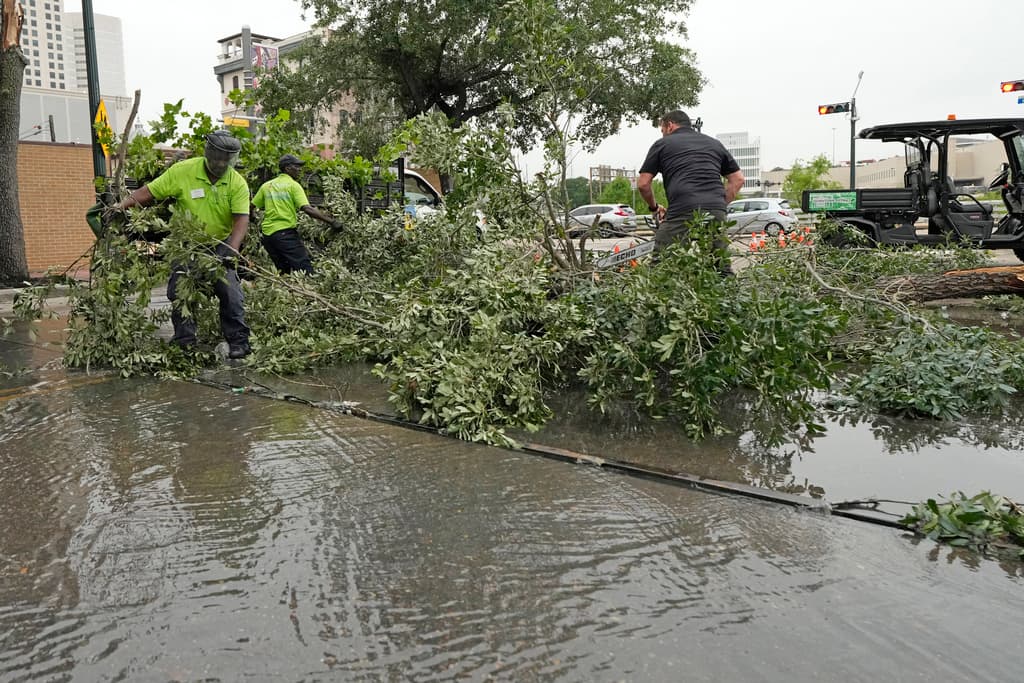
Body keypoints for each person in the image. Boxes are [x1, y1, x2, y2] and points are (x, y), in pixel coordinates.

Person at [107, 130, 253, 359]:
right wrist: (121, 206)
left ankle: (238, 342)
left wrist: (230, 250)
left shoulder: (237, 183)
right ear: (209, 153)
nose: (222, 163)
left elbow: (241, 220)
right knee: (179, 292)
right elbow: (149, 192)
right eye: (218, 158)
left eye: (227, 159)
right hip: (186, 245)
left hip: (220, 243)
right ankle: (185, 341)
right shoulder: (183, 171)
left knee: (230, 292)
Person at [637, 110, 745, 275]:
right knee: (719, 264)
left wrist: (654, 208)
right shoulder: (714, 143)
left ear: (670, 125)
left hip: (682, 207)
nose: (663, 135)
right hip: (716, 209)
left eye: (663, 131)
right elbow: (738, 180)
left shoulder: (662, 144)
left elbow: (643, 184)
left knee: (662, 266)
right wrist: (719, 205)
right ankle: (729, 295)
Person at [251, 154, 339, 275]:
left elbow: (250, 207)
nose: (300, 169)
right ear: (287, 168)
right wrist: (332, 222)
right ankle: (310, 292)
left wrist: (253, 220)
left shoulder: (267, 186)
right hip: (285, 234)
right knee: (306, 270)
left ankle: (290, 293)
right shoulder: (293, 186)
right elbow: (308, 209)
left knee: (285, 272)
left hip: (268, 237)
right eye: (296, 166)